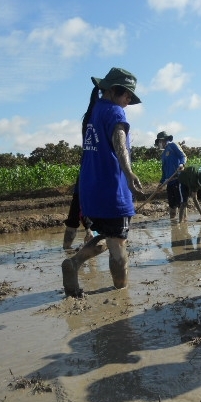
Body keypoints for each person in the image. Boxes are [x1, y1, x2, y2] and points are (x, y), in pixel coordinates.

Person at [61, 67, 144, 297]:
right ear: (113, 90)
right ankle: (121, 294)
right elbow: (119, 138)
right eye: (127, 95)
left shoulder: (93, 112)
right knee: (118, 245)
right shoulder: (115, 112)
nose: (128, 100)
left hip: (91, 190)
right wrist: (128, 172)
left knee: (109, 236)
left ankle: (76, 261)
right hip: (111, 189)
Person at [155, 131, 187, 220]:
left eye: (160, 141)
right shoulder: (163, 155)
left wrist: (182, 164)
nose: (160, 144)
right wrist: (161, 183)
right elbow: (164, 172)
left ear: (165, 140)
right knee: (172, 205)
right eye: (159, 142)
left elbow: (183, 156)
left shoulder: (173, 146)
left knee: (181, 203)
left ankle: (183, 224)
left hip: (178, 178)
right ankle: (173, 224)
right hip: (169, 182)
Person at [62, 174, 94, 250]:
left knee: (73, 219)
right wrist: (88, 228)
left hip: (84, 188)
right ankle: (67, 248)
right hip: (85, 188)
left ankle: (67, 248)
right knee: (74, 218)